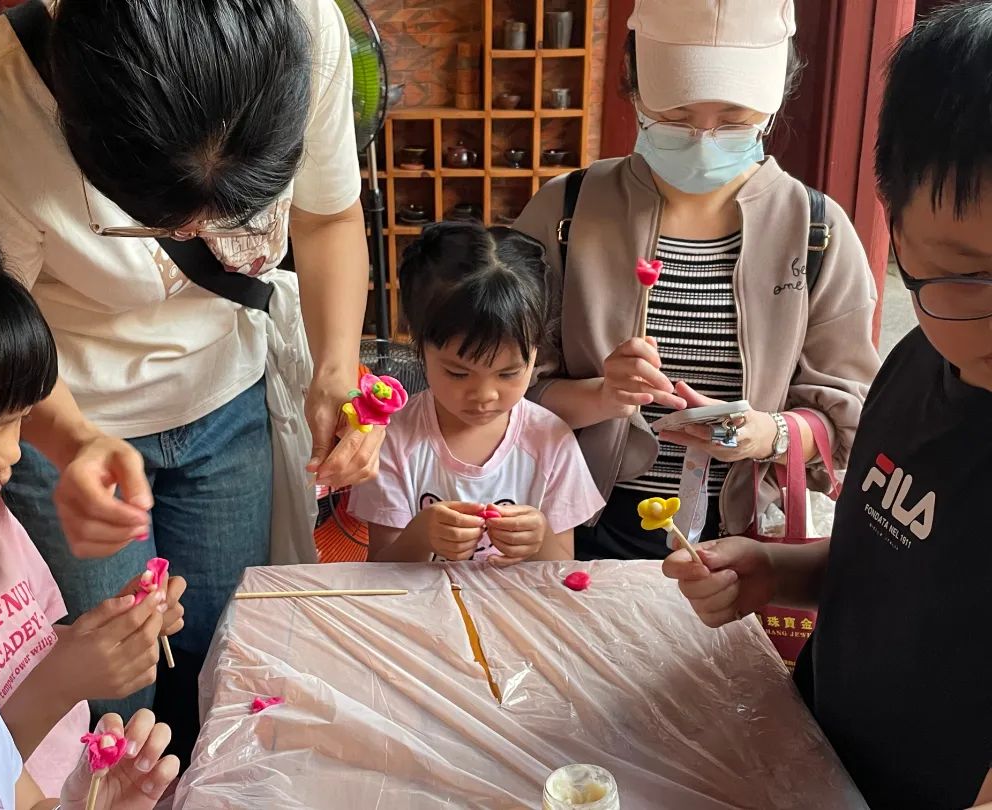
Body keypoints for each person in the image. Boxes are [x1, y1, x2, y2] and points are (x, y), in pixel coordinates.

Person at [0, 0, 377, 753]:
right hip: (61, 405)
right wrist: (73, 440)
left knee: (224, 645)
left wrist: (335, 369)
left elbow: (329, 218)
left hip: (229, 392)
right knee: (114, 687)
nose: (197, 238)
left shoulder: (310, 31)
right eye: (163, 222)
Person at [664, 4, 992, 807]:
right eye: (970, 276)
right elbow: (888, 559)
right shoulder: (916, 364)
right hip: (815, 749)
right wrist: (775, 569)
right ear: (901, 239)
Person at [514, 0, 880, 560]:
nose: (703, 138)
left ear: (773, 105)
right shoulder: (566, 211)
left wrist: (765, 435)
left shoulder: (816, 231)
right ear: (633, 85)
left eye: (734, 121)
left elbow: (849, 416)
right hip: (573, 526)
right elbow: (500, 391)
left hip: (740, 542)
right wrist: (602, 396)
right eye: (676, 116)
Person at [0, 217, 186, 794]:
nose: (15, 452)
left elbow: (22, 641)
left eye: (22, 417)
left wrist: (108, 633)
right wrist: (63, 681)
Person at [350, 223, 604, 563]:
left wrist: (540, 537)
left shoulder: (550, 440)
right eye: (458, 373)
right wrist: (421, 535)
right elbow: (381, 569)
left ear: (536, 355)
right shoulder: (394, 440)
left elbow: (561, 569)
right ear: (419, 347)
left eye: (508, 373)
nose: (484, 395)